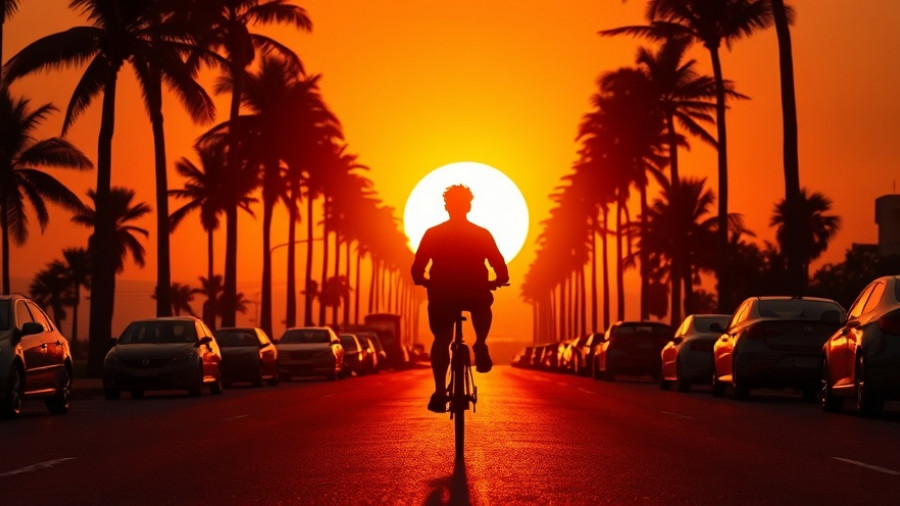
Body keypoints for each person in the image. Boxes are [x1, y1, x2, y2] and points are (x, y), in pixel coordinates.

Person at [411, 184, 509, 413]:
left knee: (441, 340)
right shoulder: (481, 234)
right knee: (483, 304)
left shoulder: (433, 233)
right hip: (474, 290)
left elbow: (418, 266)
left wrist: (421, 279)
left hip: (442, 292)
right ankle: (481, 343)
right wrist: (500, 279)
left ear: (447, 207)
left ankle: (439, 390)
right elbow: (498, 263)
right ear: (469, 206)